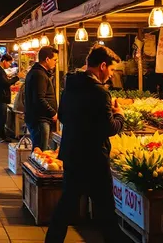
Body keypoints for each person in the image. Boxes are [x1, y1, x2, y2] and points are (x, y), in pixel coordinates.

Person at [45, 45, 125, 243]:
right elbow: (109, 128)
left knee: (67, 204)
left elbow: (62, 115)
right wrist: (120, 116)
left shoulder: (70, 85)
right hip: (94, 158)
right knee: (106, 209)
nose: (111, 75)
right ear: (103, 66)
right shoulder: (100, 93)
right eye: (112, 70)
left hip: (72, 153)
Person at [24, 46, 59, 151]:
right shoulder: (39, 74)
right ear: (47, 59)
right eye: (55, 60)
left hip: (38, 118)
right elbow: (39, 99)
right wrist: (53, 113)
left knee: (39, 150)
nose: (56, 63)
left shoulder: (37, 72)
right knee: (40, 151)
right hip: (40, 119)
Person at [0, 54, 25, 143]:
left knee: (1, 117)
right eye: (9, 63)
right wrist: (17, 77)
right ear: (4, 61)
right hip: (0, 97)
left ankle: (1, 136)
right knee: (0, 117)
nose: (10, 65)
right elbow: (6, 83)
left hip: (0, 97)